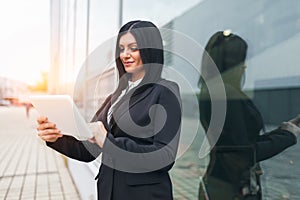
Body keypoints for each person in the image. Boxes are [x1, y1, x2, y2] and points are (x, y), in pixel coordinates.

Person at [36, 20, 181, 200]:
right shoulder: (115, 97)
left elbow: (164, 157)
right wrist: (56, 138)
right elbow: (89, 151)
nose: (125, 55)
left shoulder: (164, 91)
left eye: (133, 48)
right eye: (121, 48)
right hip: (109, 192)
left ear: (150, 50)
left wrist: (106, 140)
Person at [198, 31, 300, 200]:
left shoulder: (211, 92)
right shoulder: (226, 96)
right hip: (233, 189)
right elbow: (243, 153)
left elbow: (241, 143)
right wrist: (288, 136)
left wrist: (284, 131)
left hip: (221, 182)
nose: (245, 66)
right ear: (231, 62)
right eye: (241, 60)